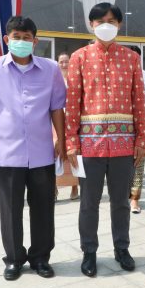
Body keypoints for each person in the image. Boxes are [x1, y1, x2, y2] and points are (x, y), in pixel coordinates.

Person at [0, 16, 66, 280]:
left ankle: (41, 258)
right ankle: (14, 259)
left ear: (35, 41)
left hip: (42, 152)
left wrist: (61, 139)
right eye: (16, 37)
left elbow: (57, 108)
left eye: (27, 38)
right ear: (6, 39)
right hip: (7, 153)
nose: (21, 42)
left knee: (43, 209)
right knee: (10, 210)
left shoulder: (50, 69)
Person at [65, 2, 145, 277]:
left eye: (111, 20)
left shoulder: (131, 58)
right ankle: (89, 251)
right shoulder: (79, 57)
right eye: (100, 21)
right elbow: (72, 103)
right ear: (91, 25)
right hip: (89, 145)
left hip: (124, 144)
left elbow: (139, 101)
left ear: (120, 24)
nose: (106, 25)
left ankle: (122, 248)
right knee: (89, 203)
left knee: (121, 202)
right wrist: (71, 143)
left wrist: (141, 140)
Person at [127, 45, 145, 213]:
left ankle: (135, 199)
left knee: (139, 164)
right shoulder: (120, 72)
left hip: (141, 123)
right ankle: (123, 197)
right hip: (123, 126)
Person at [55, 52, 79, 201]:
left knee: (72, 152)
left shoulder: (75, 79)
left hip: (72, 121)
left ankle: (74, 186)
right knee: (55, 153)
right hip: (56, 121)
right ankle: (54, 188)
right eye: (61, 62)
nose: (64, 64)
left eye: (66, 61)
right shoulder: (53, 79)